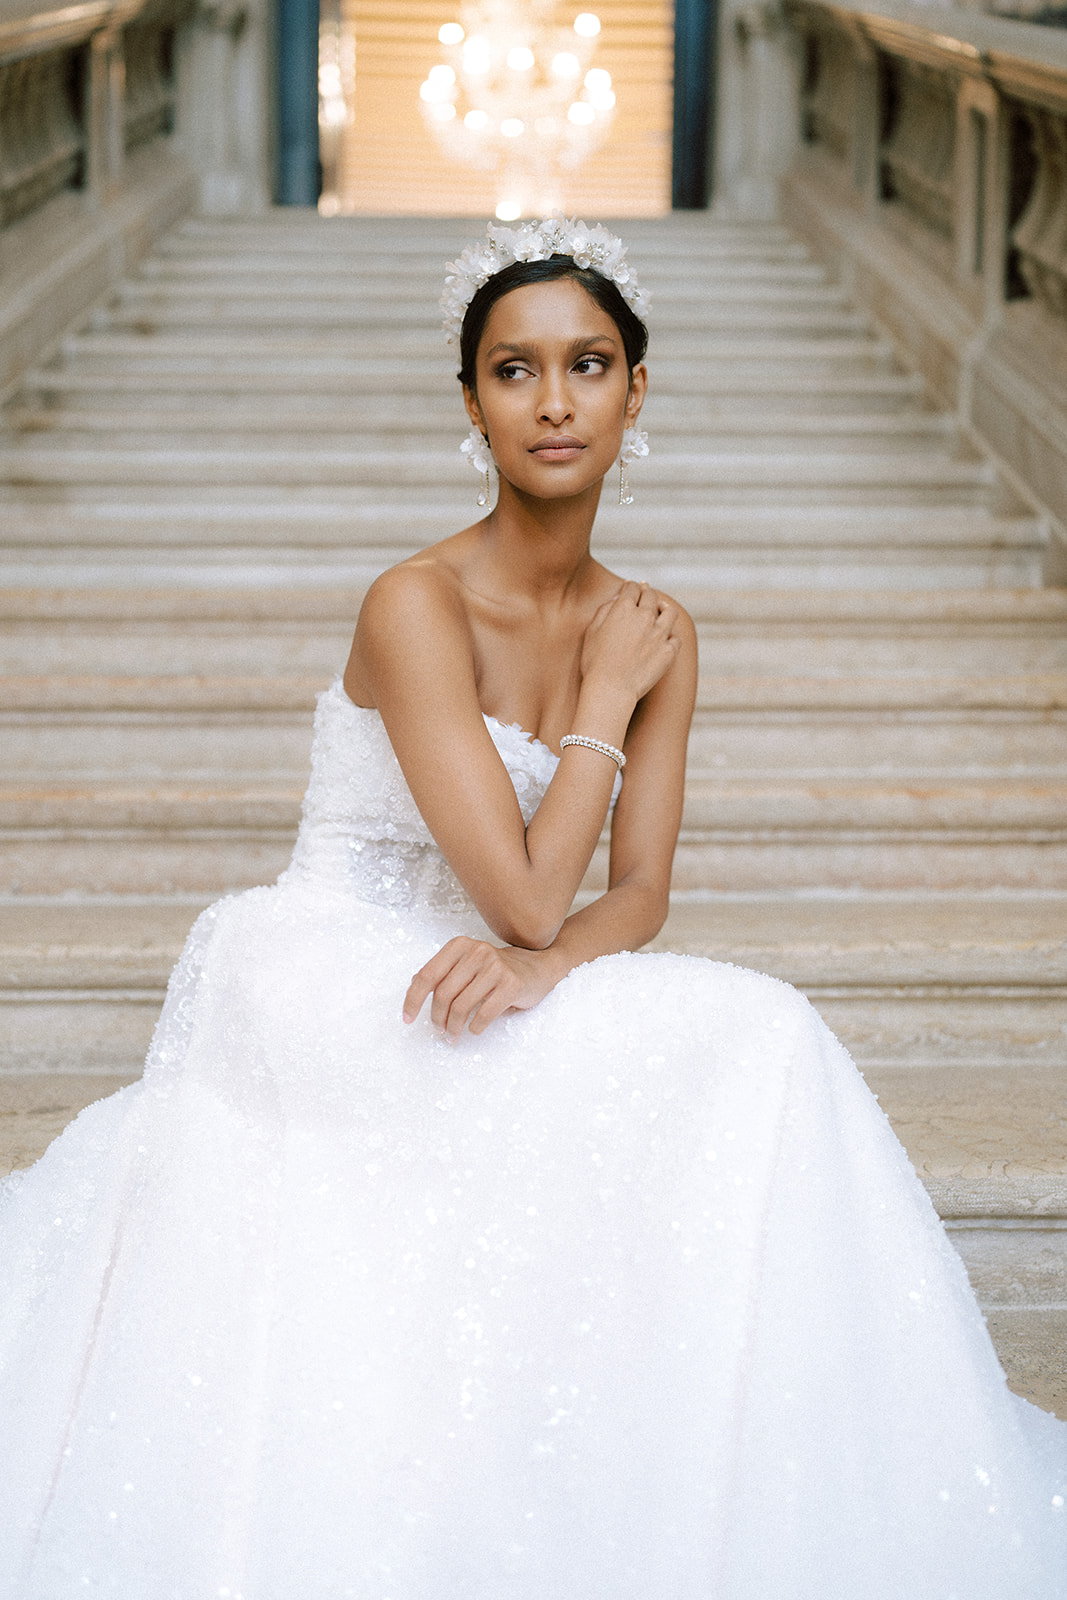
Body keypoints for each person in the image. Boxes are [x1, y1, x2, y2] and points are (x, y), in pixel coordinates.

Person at [0, 216, 1063, 1600]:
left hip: (504, 963)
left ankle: (720, 1482)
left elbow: (639, 893)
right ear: (472, 404)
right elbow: (519, 891)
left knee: (766, 1033)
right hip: (343, 969)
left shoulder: (657, 627)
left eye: (588, 364)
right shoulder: (415, 603)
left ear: (637, 390)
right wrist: (601, 711)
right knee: (534, 1054)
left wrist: (552, 969)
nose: (554, 402)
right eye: (515, 371)